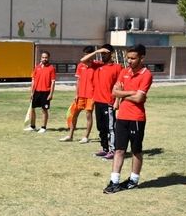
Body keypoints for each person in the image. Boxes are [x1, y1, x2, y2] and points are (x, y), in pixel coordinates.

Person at [103, 44, 152, 193]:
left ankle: (133, 180)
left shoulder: (146, 74)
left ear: (142, 58)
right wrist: (131, 92)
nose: (129, 61)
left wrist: (123, 93)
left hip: (136, 118)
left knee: (136, 151)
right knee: (119, 150)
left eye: (133, 58)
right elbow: (114, 92)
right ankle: (114, 181)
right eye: (128, 58)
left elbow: (139, 99)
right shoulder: (124, 72)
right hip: (122, 117)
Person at [80, 44, 122, 159]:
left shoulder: (117, 67)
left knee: (110, 128)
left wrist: (117, 101)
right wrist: (98, 51)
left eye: (105, 53)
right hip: (98, 101)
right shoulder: (97, 65)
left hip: (109, 102)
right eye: (102, 54)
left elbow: (120, 86)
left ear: (111, 54)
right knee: (101, 127)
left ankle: (113, 150)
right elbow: (83, 60)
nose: (103, 55)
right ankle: (105, 148)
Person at [60, 45, 96, 143]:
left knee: (88, 115)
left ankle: (86, 137)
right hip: (80, 95)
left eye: (88, 55)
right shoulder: (80, 65)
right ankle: (70, 135)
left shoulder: (96, 65)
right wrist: (76, 94)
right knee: (74, 114)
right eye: (85, 55)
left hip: (91, 95)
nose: (86, 57)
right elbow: (78, 81)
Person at [24, 51, 55, 133]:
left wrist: (51, 94)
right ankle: (32, 126)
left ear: (48, 58)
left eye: (46, 57)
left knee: (44, 110)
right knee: (32, 109)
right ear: (41, 58)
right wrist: (31, 92)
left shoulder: (51, 68)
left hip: (46, 92)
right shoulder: (37, 67)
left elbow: (53, 82)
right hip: (36, 92)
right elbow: (33, 80)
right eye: (43, 57)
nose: (44, 59)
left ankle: (43, 127)